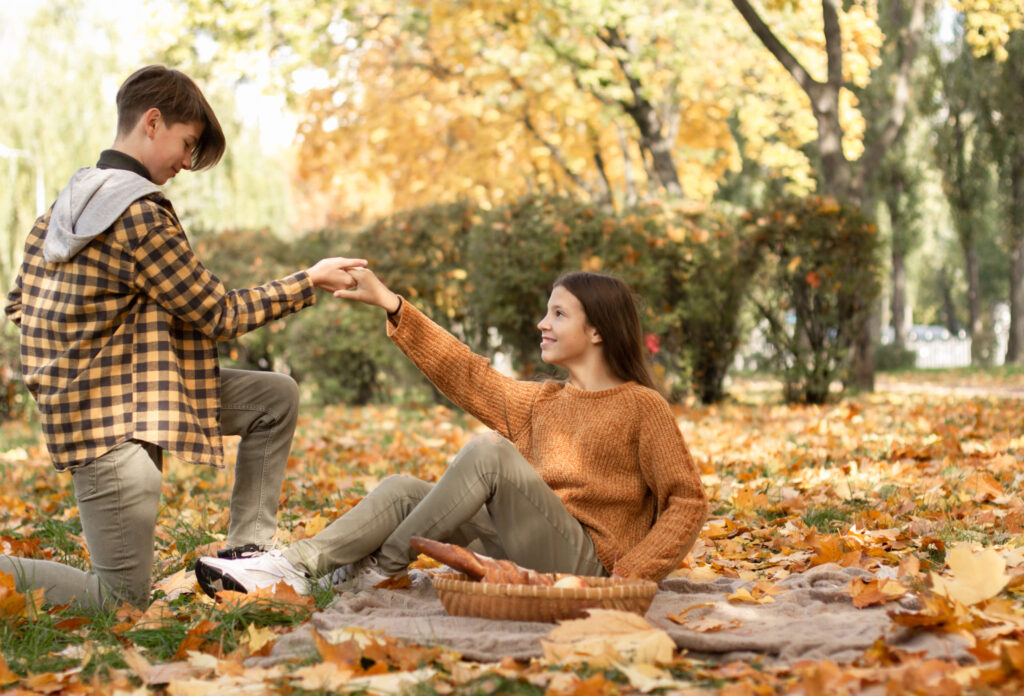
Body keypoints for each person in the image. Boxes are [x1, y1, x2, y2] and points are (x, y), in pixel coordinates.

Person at [2, 65, 366, 610]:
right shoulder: (140, 214)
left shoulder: (55, 213)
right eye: (187, 143)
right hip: (113, 427)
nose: (185, 164)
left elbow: (18, 306)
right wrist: (308, 279)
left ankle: (246, 557)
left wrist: (113, 336)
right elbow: (217, 313)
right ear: (152, 122)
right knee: (119, 601)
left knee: (274, 397)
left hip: (130, 397)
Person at [195, 269, 708, 597]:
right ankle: (293, 567)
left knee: (490, 454)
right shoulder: (545, 401)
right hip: (523, 549)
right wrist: (393, 305)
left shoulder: (642, 406)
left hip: (588, 564)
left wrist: (631, 577)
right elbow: (467, 372)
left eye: (558, 313)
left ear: (597, 331)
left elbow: (686, 500)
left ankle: (381, 567)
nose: (542, 323)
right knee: (401, 490)